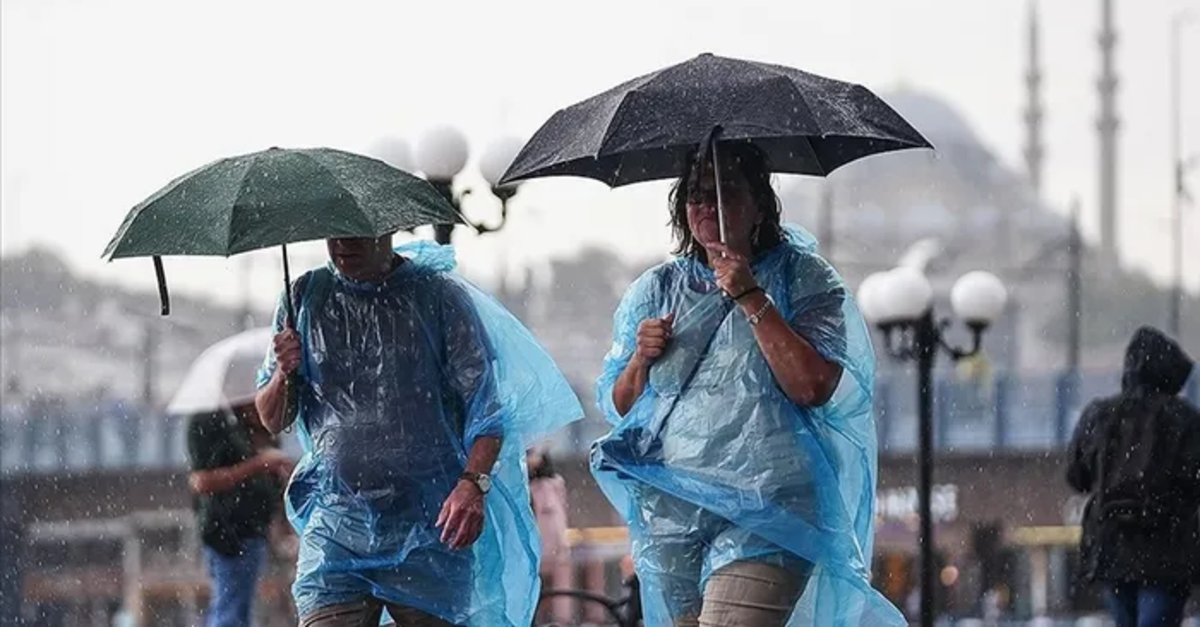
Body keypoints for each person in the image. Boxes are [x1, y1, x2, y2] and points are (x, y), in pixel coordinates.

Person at [591, 141, 904, 627]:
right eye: (697, 196)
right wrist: (639, 359)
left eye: (727, 193)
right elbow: (622, 404)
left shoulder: (803, 277)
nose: (709, 208)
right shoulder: (657, 289)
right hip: (674, 509)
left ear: (759, 205)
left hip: (769, 505)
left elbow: (813, 386)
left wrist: (749, 295)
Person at [255, 235, 581, 627]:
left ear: (387, 229)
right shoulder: (305, 298)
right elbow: (273, 418)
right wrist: (282, 372)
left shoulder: (438, 299)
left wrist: (472, 484)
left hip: (430, 528)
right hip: (338, 525)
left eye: (356, 231)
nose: (342, 242)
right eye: (334, 230)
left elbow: (487, 412)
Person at [1067, 326, 1200, 627]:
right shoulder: (1185, 419)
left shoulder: (1099, 415)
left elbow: (1077, 476)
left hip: (1112, 546)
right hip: (1168, 549)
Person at [188, 401, 293, 627]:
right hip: (229, 532)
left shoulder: (253, 428)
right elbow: (201, 481)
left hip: (254, 529)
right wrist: (258, 465)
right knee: (231, 607)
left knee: (240, 606)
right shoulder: (212, 421)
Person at [527, 447, 570, 624]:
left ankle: (560, 620)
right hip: (538, 547)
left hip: (553, 545)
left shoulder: (551, 484)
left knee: (559, 591)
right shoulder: (526, 486)